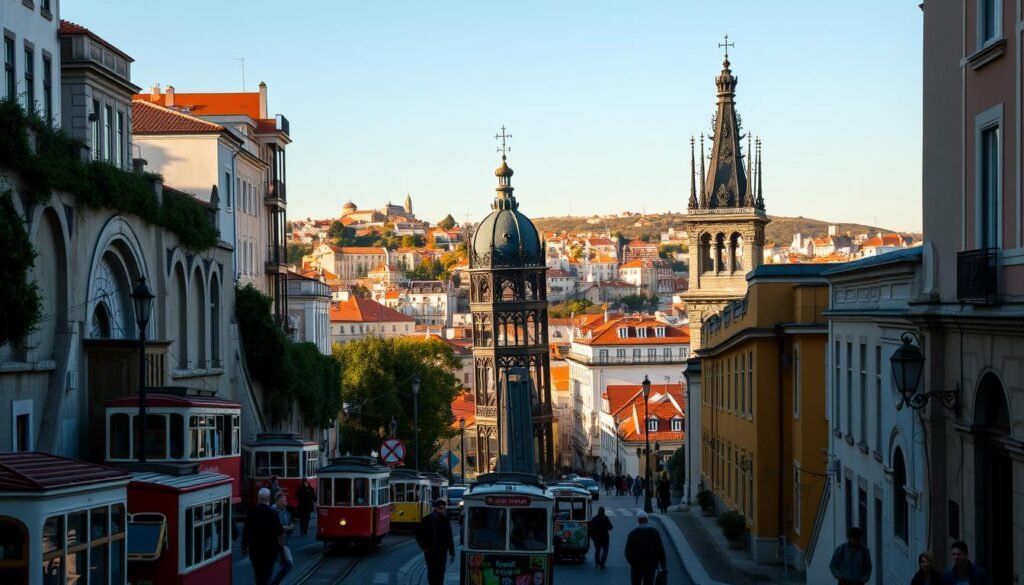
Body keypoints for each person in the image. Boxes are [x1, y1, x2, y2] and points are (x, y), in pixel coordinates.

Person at [242, 487, 283, 585]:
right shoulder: (273, 513)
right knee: (267, 574)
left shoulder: (251, 513)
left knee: (258, 575)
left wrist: (244, 545)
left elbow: (246, 531)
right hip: (269, 551)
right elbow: (279, 531)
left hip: (255, 551)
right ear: (269, 498)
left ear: (258, 498)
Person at [416, 499, 455, 585]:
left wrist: (452, 552)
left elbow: (449, 536)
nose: (442, 510)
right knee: (432, 571)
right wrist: (424, 547)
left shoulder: (445, 520)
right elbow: (418, 533)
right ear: (436, 508)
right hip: (430, 551)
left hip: (442, 551)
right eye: (440, 508)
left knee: (441, 572)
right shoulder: (427, 519)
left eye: (444, 508)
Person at [624, 511, 666, 585]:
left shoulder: (633, 533)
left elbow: (627, 552)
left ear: (638, 521)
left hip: (636, 565)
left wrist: (632, 562)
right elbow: (660, 550)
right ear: (647, 520)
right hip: (650, 565)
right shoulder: (654, 532)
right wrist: (663, 565)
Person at [270, 491, 294, 585]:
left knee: (286, 564)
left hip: (284, 541)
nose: (285, 502)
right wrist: (288, 527)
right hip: (279, 542)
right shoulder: (274, 512)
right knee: (288, 564)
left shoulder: (286, 512)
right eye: (283, 501)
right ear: (277, 502)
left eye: (285, 500)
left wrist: (289, 527)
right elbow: (281, 527)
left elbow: (290, 524)